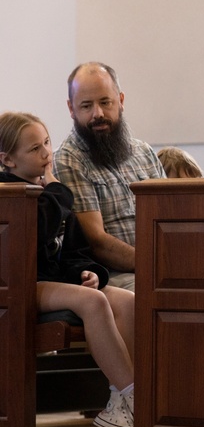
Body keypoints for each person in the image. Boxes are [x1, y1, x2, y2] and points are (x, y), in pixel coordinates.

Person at [0, 112, 136, 427]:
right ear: (8, 160)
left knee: (129, 301)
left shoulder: (51, 193)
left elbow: (75, 250)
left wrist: (87, 272)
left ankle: (124, 398)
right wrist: (58, 191)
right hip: (18, 285)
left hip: (54, 283)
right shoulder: (9, 194)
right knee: (91, 301)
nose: (47, 153)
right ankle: (134, 399)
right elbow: (40, 228)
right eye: (35, 149)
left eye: (47, 143)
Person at [53, 62, 166, 291]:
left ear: (121, 101)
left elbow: (173, 217)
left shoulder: (144, 152)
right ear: (71, 109)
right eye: (86, 106)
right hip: (111, 276)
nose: (98, 114)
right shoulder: (68, 160)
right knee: (166, 294)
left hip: (161, 265)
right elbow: (96, 242)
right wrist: (157, 264)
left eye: (105, 102)